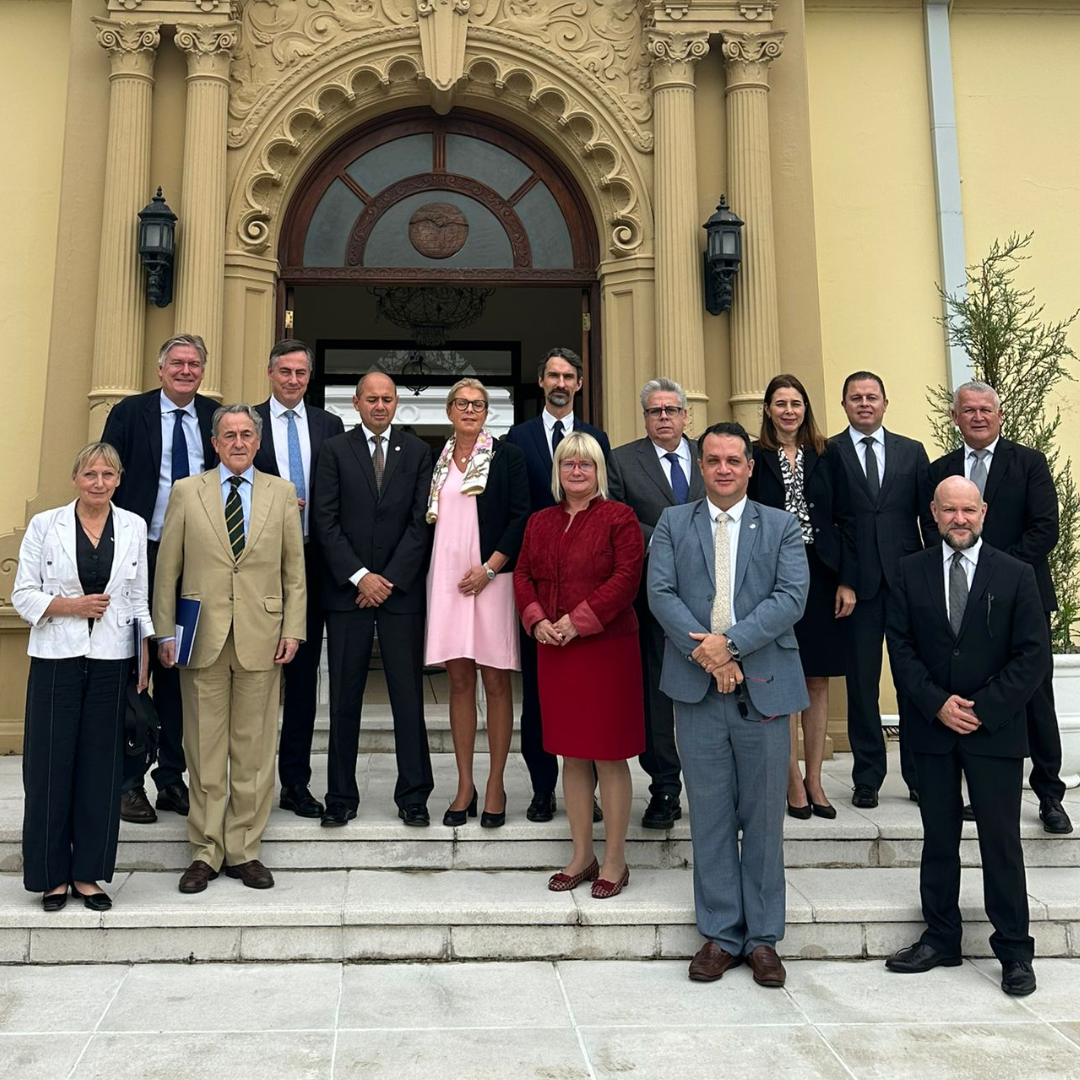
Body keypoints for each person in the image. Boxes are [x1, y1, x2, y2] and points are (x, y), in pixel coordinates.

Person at [649, 422, 810, 988]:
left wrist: (732, 645)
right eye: (713, 459)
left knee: (764, 817)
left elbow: (791, 597)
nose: (722, 468)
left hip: (764, 684)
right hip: (696, 688)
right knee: (711, 814)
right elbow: (660, 594)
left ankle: (763, 938)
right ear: (701, 465)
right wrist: (711, 658)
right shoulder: (673, 523)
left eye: (733, 460)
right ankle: (720, 934)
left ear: (748, 467)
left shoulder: (783, 525)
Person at [884, 477, 1047, 996]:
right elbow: (901, 647)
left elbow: (1032, 656)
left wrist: (983, 708)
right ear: (933, 513)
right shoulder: (909, 572)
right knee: (938, 838)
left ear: (984, 512)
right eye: (949, 510)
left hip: (993, 731)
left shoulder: (1016, 574)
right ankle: (941, 938)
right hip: (931, 729)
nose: (959, 518)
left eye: (968, 510)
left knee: (1001, 843)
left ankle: (1015, 952)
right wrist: (937, 703)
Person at [154, 404, 306, 894]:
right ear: (215, 443)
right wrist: (163, 632)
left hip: (263, 634)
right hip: (200, 636)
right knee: (203, 748)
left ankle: (244, 849)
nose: (238, 442)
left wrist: (294, 629)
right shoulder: (186, 492)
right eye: (228, 435)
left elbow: (293, 571)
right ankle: (204, 851)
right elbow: (167, 570)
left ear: (257, 443)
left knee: (254, 750)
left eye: (246, 434)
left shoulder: (281, 493)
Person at [926, 381, 1072, 834]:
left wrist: (997, 572)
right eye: (968, 410)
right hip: (959, 605)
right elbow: (934, 529)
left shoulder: (1029, 463)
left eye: (985, 409)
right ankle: (976, 789)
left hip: (1022, 598)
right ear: (955, 418)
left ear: (999, 414)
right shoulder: (941, 469)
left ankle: (1049, 794)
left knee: (1036, 696)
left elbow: (1045, 528)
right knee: (969, 690)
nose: (977, 416)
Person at [13, 442, 153, 911]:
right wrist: (71, 607)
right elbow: (23, 594)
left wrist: (144, 653)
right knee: (50, 766)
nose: (99, 483)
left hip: (113, 657)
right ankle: (51, 878)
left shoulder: (132, 526)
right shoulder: (44, 525)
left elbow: (137, 597)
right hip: (56, 656)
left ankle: (89, 874)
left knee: (101, 768)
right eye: (91, 474)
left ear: (118, 480)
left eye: (108, 475)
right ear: (76, 478)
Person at [514, 432, 644, 896]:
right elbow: (524, 574)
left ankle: (614, 861)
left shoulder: (619, 518)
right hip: (555, 649)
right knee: (571, 755)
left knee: (608, 755)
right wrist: (536, 620)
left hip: (605, 649)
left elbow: (626, 578)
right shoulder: (540, 522)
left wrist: (578, 620)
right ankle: (581, 854)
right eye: (568, 464)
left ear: (598, 472)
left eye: (585, 465)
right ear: (558, 471)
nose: (576, 472)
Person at [101, 333, 217, 825]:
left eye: (194, 364)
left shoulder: (216, 417)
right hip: (137, 555)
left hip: (196, 560)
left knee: (177, 666)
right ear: (160, 369)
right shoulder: (130, 414)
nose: (186, 370)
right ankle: (129, 782)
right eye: (178, 363)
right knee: (133, 667)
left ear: (202, 371)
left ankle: (171, 778)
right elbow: (105, 476)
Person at [312, 372, 435, 827]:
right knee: (345, 699)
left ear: (396, 403)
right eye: (372, 399)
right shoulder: (334, 451)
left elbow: (423, 521)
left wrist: (389, 579)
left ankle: (414, 796)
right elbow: (325, 522)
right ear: (356, 402)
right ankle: (340, 797)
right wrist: (362, 577)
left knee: (408, 698)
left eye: (387, 399)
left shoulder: (419, 451)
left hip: (400, 596)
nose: (380, 406)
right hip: (349, 595)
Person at [506, 348, 611, 823]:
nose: (561, 382)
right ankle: (543, 789)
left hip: (587, 594)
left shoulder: (597, 438)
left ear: (580, 383)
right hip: (540, 588)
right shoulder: (518, 437)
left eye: (569, 375)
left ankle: (585, 792)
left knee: (586, 699)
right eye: (553, 374)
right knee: (540, 700)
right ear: (541, 380)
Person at [748, 375, 858, 819]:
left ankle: (815, 779)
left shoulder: (827, 455)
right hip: (775, 579)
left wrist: (847, 580)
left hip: (823, 574)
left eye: (796, 402)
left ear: (806, 408)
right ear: (769, 410)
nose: (789, 411)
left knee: (816, 678)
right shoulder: (755, 458)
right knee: (782, 675)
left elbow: (847, 519)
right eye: (780, 403)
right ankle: (791, 778)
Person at [425, 379, 529, 827]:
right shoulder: (440, 460)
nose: (470, 409)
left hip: (492, 578)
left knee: (497, 682)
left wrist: (490, 568)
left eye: (479, 404)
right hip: (448, 581)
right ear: (449, 410)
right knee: (460, 680)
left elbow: (521, 515)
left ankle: (495, 784)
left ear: (488, 412)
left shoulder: (508, 456)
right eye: (462, 403)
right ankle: (465, 784)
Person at [829, 371, 934, 807]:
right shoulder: (829, 452)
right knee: (862, 685)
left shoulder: (912, 451)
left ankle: (919, 775)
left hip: (909, 582)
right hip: (859, 587)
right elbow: (831, 522)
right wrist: (843, 579)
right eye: (856, 398)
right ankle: (867, 776)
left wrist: (934, 577)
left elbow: (928, 518)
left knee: (914, 682)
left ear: (886, 403)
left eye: (872, 397)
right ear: (845, 405)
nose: (865, 404)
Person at [252, 339, 345, 819]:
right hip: (259, 568)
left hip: (317, 562)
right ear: (270, 373)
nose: (292, 380)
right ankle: (248, 785)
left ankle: (295, 782)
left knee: (304, 680)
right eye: (284, 371)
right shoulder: (245, 423)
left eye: (300, 373)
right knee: (256, 678)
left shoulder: (330, 425)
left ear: (310, 378)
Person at [607, 378, 703, 829]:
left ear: (686, 415)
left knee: (714, 690)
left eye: (670, 410)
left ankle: (716, 788)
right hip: (653, 594)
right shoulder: (623, 461)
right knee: (658, 694)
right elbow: (622, 520)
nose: (663, 418)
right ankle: (664, 787)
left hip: (714, 594)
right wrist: (672, 542)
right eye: (654, 411)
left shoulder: (714, 454)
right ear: (644, 417)